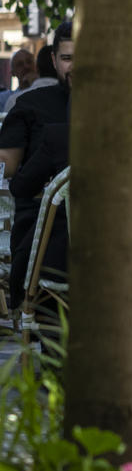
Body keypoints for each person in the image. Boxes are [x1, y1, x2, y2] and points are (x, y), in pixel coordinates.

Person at [0, 21, 73, 312]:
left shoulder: (118, 110)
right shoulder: (31, 105)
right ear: (54, 60)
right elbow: (6, 166)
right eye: (68, 58)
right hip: (41, 228)